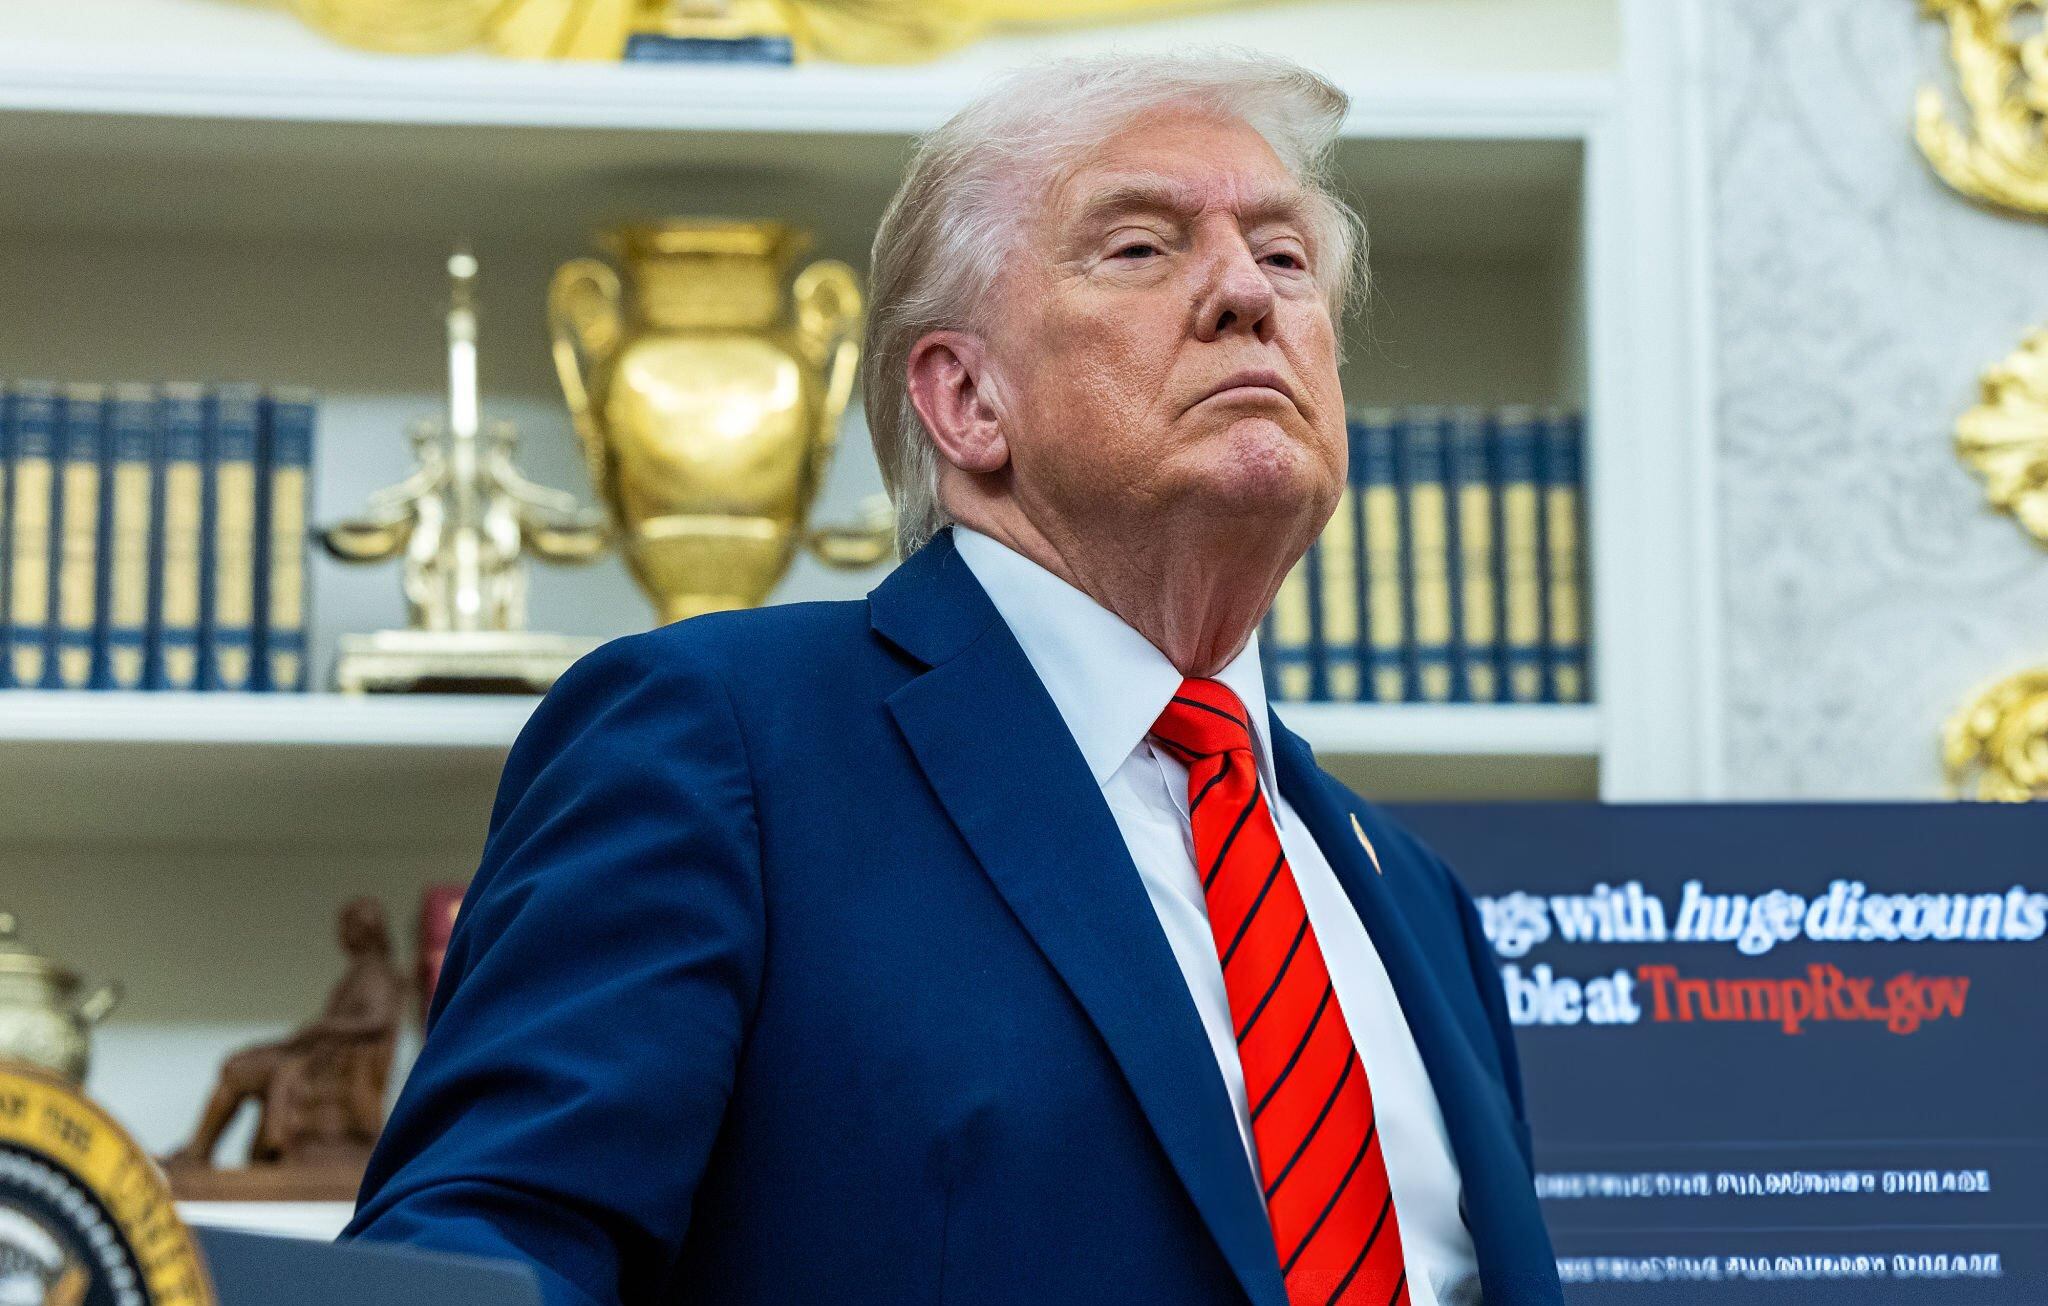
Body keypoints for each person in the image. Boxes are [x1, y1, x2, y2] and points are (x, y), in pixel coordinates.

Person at [345, 51, 1561, 1306]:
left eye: (1286, 258)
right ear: (967, 398)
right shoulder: (719, 744)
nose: (1245, 293)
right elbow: (479, 1251)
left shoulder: (1415, 899)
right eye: (1141, 248)